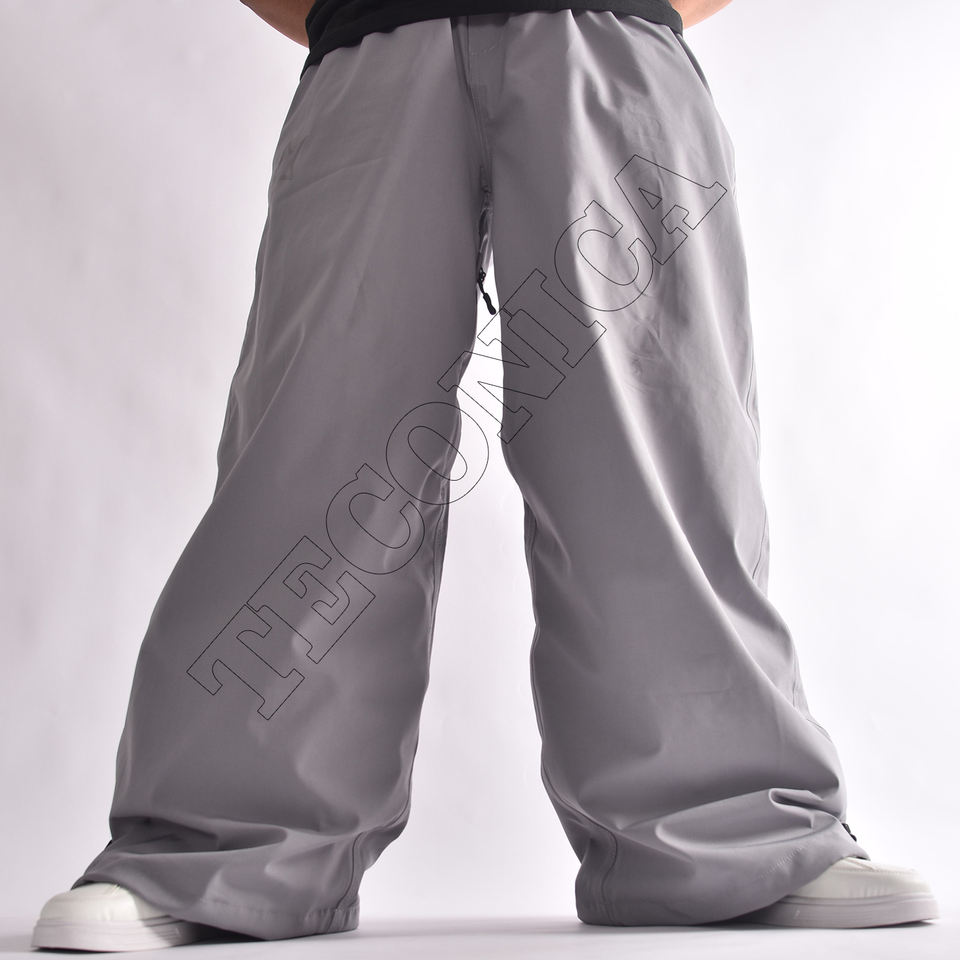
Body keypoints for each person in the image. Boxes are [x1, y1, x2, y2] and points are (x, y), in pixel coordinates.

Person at [31, 0, 939, 951]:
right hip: (374, 40)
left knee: (652, 449)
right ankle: (224, 849)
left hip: (611, 39)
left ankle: (729, 834)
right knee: (317, 453)